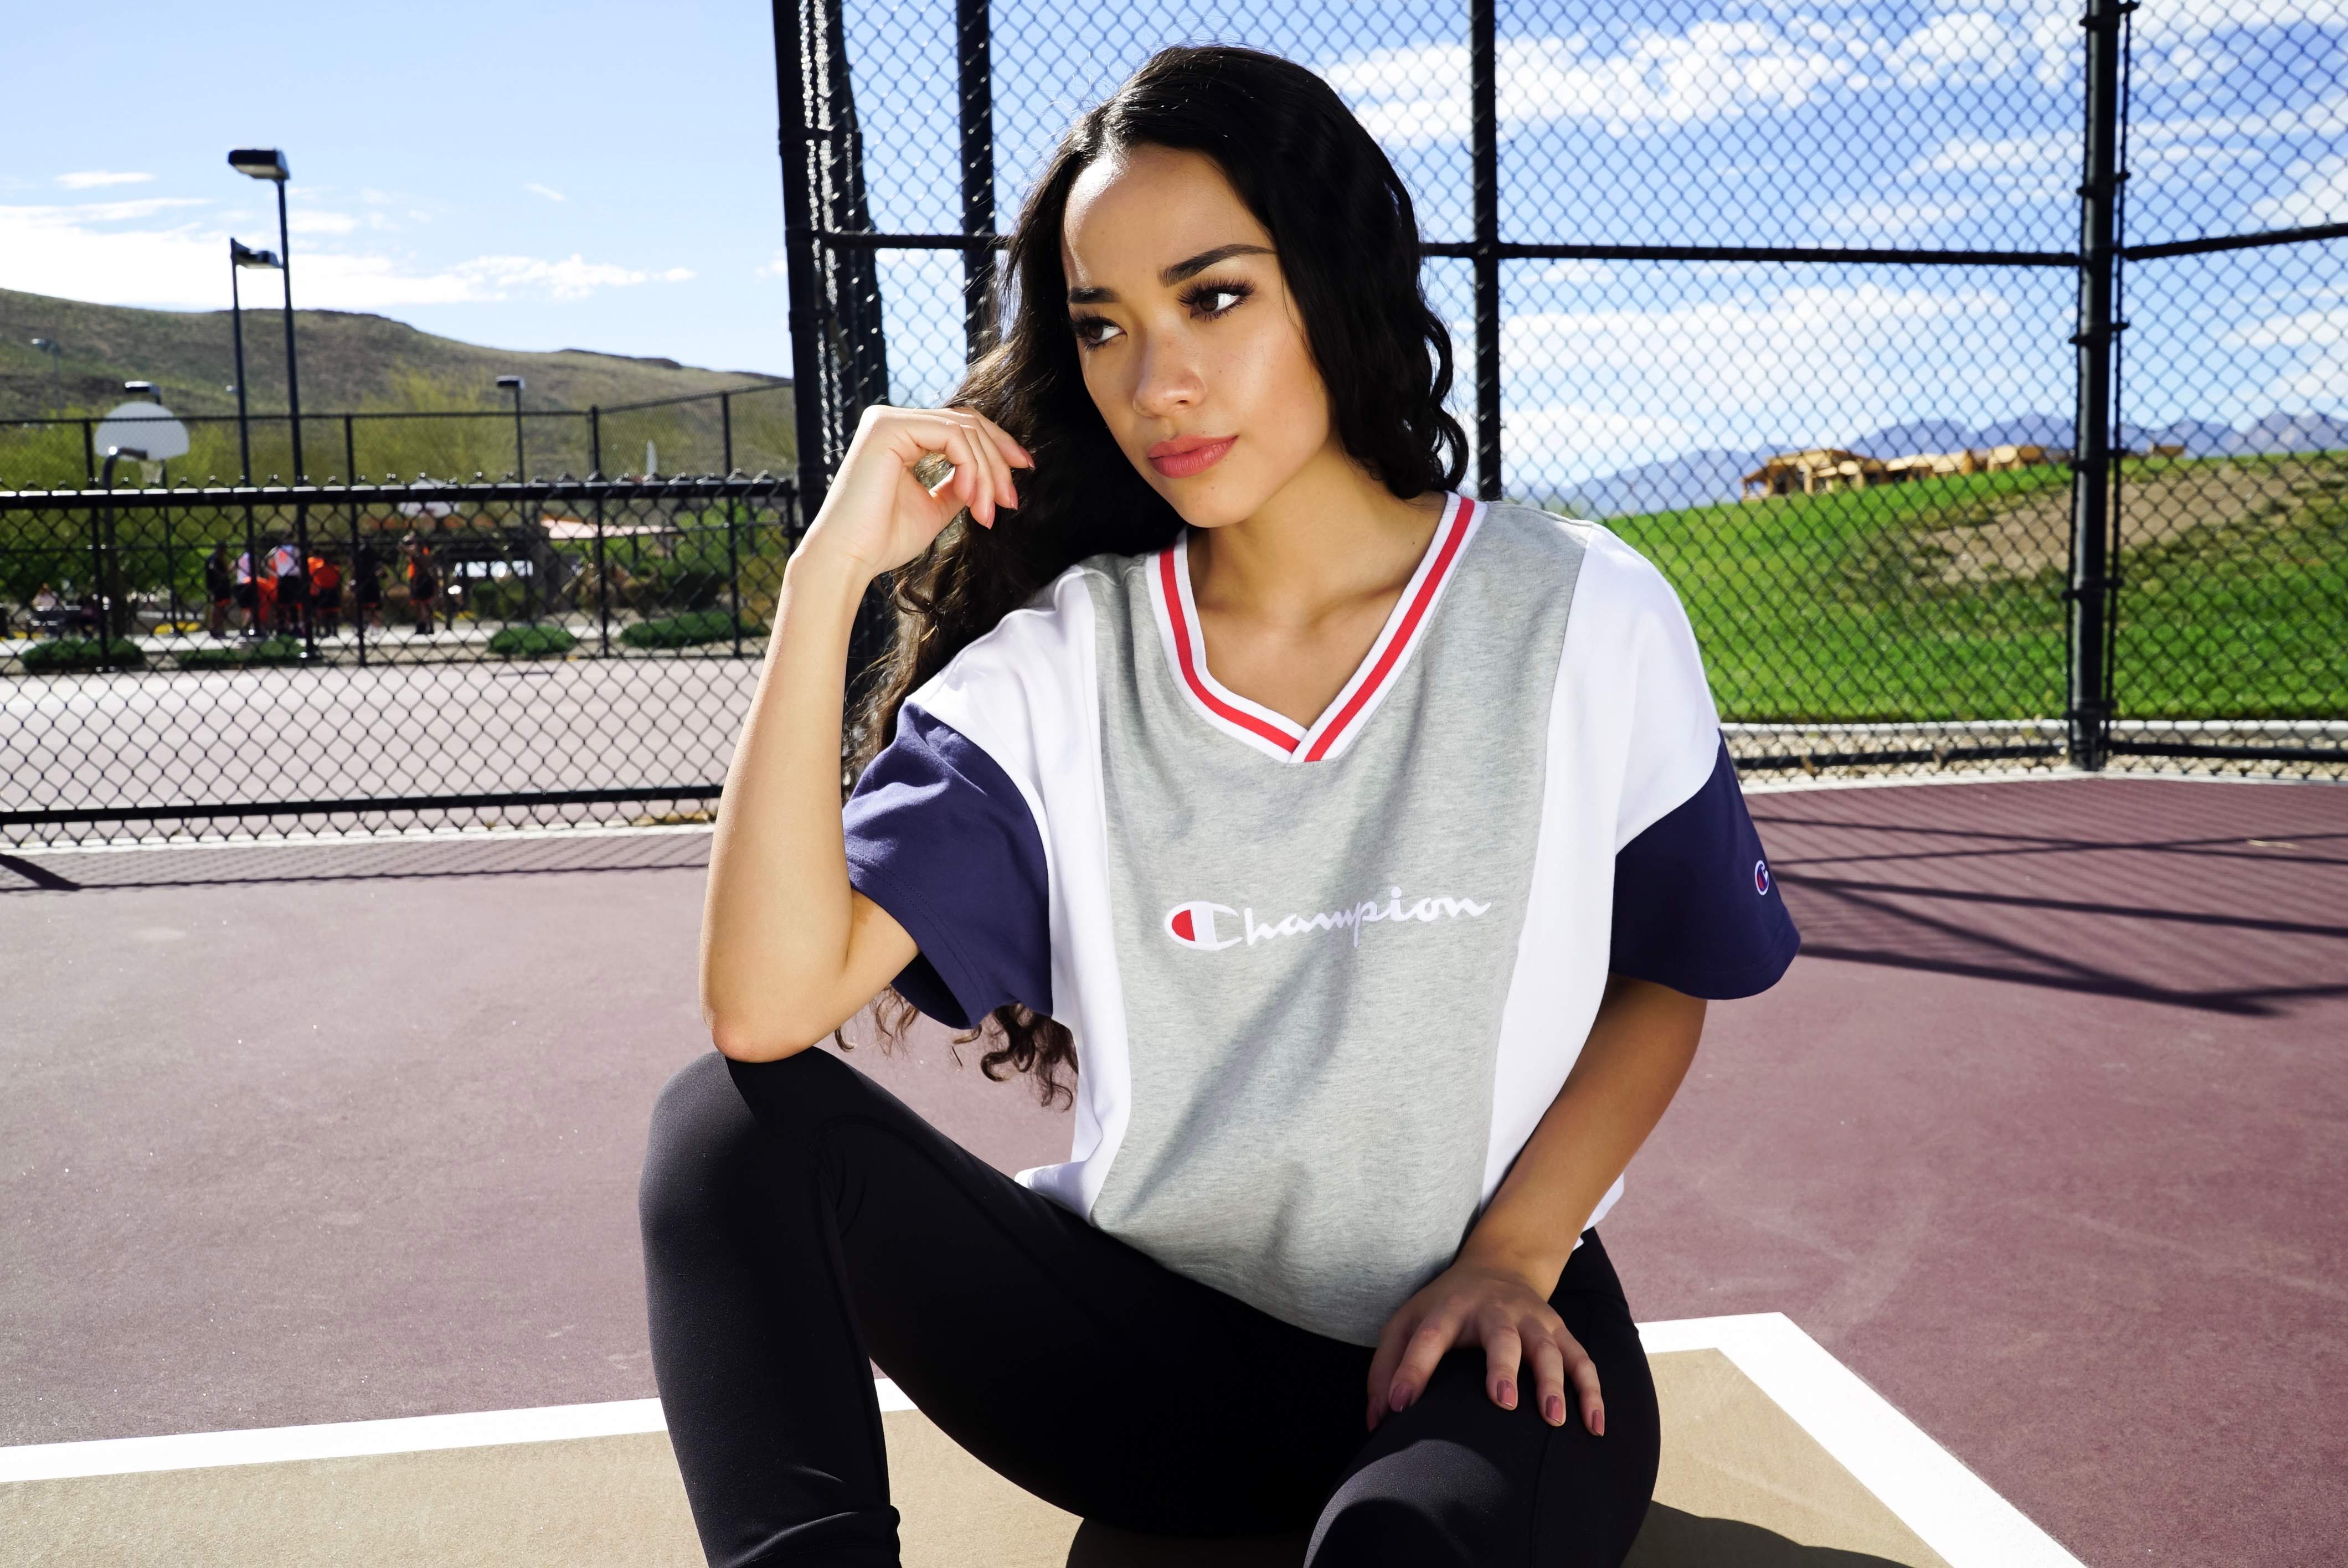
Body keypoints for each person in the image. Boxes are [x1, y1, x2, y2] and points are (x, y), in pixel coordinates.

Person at [643, 45, 1800, 1568]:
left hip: (1472, 1350)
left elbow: (1665, 968)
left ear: (1333, 282)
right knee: (726, 1129)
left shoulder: (1580, 607)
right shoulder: (1060, 669)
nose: (1156, 382)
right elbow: (763, 1005)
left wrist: (1518, 1252)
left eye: (1214, 297)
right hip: (1148, 1369)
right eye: (1103, 325)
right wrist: (822, 581)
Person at [269, 538, 305, 637]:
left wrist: (276, 574)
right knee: (294, 604)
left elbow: (265, 562)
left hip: (282, 578)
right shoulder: (294, 549)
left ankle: (281, 627)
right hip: (293, 578)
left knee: (283, 604)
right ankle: (295, 627)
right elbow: (301, 563)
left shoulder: (276, 549)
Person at [404, 537, 439, 634]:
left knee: (421, 605)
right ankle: (428, 626)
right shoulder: (428, 557)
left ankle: (422, 626)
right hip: (427, 581)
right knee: (426, 605)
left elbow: (418, 571)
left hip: (421, 581)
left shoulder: (418, 556)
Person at [307, 552, 343, 637]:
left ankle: (328, 630)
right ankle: (334, 630)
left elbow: (313, 579)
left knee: (325, 613)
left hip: (324, 591)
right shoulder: (335, 569)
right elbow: (339, 582)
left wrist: (316, 587)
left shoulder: (319, 568)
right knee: (332, 612)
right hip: (332, 591)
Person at [353, 541, 383, 631]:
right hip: (370, 584)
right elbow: (381, 570)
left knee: (367, 607)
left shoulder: (360, 557)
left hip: (365, 585)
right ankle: (372, 626)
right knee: (373, 607)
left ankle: (370, 625)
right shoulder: (374, 556)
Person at [204, 545, 233, 638]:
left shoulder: (219, 558)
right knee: (217, 608)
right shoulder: (214, 558)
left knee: (221, 608)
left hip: (221, 587)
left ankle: (219, 629)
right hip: (217, 587)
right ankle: (215, 629)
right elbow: (212, 567)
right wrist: (221, 575)